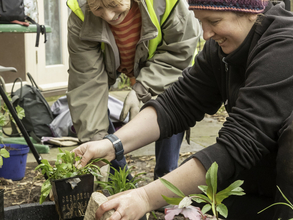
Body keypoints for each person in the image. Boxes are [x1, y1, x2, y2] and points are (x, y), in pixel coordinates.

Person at [72, 0, 293, 219]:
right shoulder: (222, 48)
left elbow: (241, 142)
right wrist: (112, 144)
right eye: (200, 21)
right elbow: (177, 104)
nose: (205, 34)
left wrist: (145, 198)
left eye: (214, 21)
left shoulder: (284, 47)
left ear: (250, 12)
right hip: (265, 181)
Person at [66, 0, 201, 179]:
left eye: (113, 4)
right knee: (94, 114)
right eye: (97, 8)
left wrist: (142, 88)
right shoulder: (81, 14)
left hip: (169, 68)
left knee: (170, 102)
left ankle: (166, 179)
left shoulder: (167, 3)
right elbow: (87, 84)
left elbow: (177, 54)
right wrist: (95, 143)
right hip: (124, 62)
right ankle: (120, 180)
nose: (108, 16)